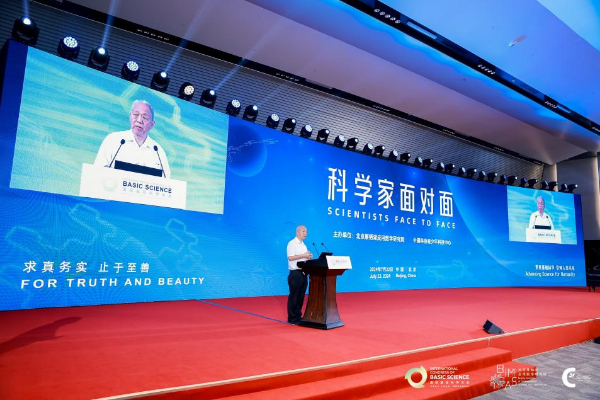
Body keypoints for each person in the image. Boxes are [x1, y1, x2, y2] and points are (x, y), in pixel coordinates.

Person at [94, 100, 171, 178]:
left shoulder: (158, 151)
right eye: (136, 115)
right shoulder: (113, 140)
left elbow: (166, 181)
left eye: (145, 117)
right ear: (130, 116)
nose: (139, 120)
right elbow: (98, 172)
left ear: (152, 124)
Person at [287, 225, 313, 325]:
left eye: (306, 231)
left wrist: (308, 257)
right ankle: (292, 318)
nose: (305, 233)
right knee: (294, 296)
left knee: (301, 296)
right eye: (303, 231)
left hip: (303, 273)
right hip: (295, 274)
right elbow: (290, 258)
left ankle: (298, 316)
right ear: (297, 232)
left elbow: (303, 258)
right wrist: (304, 255)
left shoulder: (303, 245)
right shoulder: (292, 243)